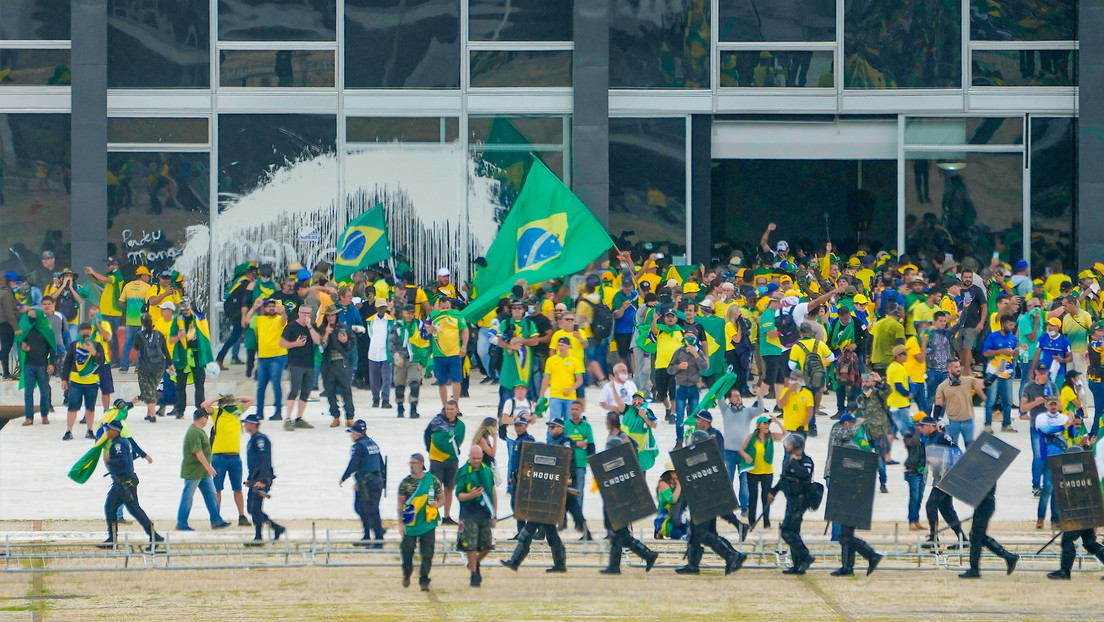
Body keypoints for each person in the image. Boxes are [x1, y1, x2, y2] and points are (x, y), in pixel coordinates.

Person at [675, 429, 749, 576]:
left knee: (702, 534)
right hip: (704, 502)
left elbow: (692, 483)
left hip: (703, 503)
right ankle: (693, 564)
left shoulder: (698, 460)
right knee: (699, 534)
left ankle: (731, 555)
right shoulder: (709, 458)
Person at [826, 413, 885, 576]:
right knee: (845, 533)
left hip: (849, 490)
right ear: (845, 423)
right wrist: (859, 423)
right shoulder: (837, 430)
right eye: (851, 423)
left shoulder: (853, 446)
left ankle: (869, 556)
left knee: (846, 534)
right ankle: (849, 565)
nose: (853, 427)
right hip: (837, 479)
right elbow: (847, 433)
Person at [500, 438, 569, 574]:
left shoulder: (551, 468)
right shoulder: (544, 467)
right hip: (542, 504)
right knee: (549, 535)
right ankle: (559, 564)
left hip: (543, 505)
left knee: (530, 534)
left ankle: (515, 562)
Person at [97, 419, 164, 548]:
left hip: (124, 483)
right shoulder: (124, 442)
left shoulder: (117, 445)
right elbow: (131, 456)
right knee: (110, 508)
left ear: (115, 431)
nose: (106, 431)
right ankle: (112, 539)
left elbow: (122, 461)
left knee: (135, 510)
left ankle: (155, 536)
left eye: (108, 429)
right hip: (121, 483)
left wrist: (109, 460)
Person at [599, 434, 660, 575]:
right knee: (623, 536)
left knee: (616, 535)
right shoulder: (623, 462)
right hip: (619, 504)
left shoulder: (624, 464)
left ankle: (614, 567)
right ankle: (648, 555)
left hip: (621, 505)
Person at [202, 394, 255, 527]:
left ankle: (242, 516)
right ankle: (216, 517)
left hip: (235, 457)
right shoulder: (217, 413)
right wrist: (217, 398)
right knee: (217, 488)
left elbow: (251, 399)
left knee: (237, 488)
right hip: (219, 457)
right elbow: (204, 406)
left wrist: (235, 398)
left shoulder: (237, 412)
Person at [176, 409, 231, 531]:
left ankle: (216, 520)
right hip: (194, 471)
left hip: (202, 472)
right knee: (188, 497)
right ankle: (181, 523)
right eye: (207, 418)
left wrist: (206, 468)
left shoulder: (198, 431)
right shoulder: (194, 432)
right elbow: (197, 451)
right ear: (203, 418)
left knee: (211, 495)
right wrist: (208, 467)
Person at [917, 416, 968, 549]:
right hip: (939, 478)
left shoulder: (942, 437)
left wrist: (948, 467)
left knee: (931, 505)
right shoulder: (928, 440)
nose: (920, 429)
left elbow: (957, 452)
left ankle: (934, 538)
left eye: (922, 426)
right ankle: (963, 539)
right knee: (946, 510)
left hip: (947, 477)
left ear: (930, 425)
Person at [769, 434, 816, 574]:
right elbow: (784, 478)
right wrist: (773, 492)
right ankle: (798, 564)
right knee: (793, 532)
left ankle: (805, 556)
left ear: (796, 446)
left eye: (789, 444)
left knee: (787, 531)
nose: (786, 446)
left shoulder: (806, 461)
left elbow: (805, 475)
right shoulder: (788, 461)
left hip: (800, 500)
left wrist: (794, 463)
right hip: (791, 499)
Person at [398, 453, 444, 591]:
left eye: (415, 463)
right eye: (410, 463)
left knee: (428, 552)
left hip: (427, 522)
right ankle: (407, 573)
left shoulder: (432, 480)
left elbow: (442, 497)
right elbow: (400, 504)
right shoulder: (406, 483)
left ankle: (424, 579)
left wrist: (438, 504)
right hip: (410, 522)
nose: (412, 466)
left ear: (422, 464)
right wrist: (401, 523)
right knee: (407, 551)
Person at [338, 419, 386, 546]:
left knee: (369, 509)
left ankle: (378, 537)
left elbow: (354, 464)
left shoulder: (359, 446)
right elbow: (381, 464)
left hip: (368, 483)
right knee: (366, 509)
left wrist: (344, 477)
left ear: (356, 434)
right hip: (376, 480)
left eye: (352, 433)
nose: (351, 435)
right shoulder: (372, 443)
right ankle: (368, 535)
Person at [719, 384, 766, 511]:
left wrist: (759, 396)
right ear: (729, 399)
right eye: (735, 396)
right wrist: (725, 381)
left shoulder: (747, 411)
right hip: (728, 451)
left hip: (744, 452)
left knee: (744, 480)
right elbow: (719, 397)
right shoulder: (726, 410)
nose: (738, 398)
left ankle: (745, 506)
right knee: (728, 479)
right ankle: (728, 505)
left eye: (739, 395)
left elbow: (760, 410)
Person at [455, 445, 496, 587]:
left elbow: (493, 492)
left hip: (484, 512)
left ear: (482, 457)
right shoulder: (463, 472)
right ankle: (474, 574)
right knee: (470, 546)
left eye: (478, 458)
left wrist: (494, 515)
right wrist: (471, 495)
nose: (476, 461)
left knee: (488, 545)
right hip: (468, 512)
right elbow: (459, 495)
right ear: (469, 457)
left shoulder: (487, 471)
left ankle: (475, 562)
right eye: (473, 458)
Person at [958, 483, 1019, 578]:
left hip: (985, 502)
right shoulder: (986, 471)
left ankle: (975, 570)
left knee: (976, 536)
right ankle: (1008, 556)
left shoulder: (987, 472)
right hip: (983, 502)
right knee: (977, 536)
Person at [242, 413, 285, 546]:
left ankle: (259, 537)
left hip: (262, 478)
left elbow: (264, 461)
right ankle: (276, 528)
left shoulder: (260, 440)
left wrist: (263, 480)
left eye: (247, 423)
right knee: (252, 508)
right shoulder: (253, 440)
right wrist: (250, 479)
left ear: (253, 425)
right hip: (256, 478)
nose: (245, 426)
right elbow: (254, 463)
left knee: (255, 508)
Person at [244, 298, 288, 420]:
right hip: (263, 357)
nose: (271, 308)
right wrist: (254, 307)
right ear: (264, 308)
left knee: (276, 384)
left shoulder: (279, 319)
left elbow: (284, 319)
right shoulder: (260, 320)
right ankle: (259, 412)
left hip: (278, 356)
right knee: (261, 386)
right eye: (268, 306)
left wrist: (283, 312)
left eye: (273, 306)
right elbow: (247, 320)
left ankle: (278, 411)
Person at [62, 322, 105, 440]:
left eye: (88, 330)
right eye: (83, 330)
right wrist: (64, 379)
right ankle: (68, 431)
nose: (85, 332)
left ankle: (90, 430)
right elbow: (67, 362)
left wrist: (93, 351)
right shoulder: (74, 345)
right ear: (79, 332)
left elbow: (102, 361)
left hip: (91, 382)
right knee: (72, 407)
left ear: (91, 331)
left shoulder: (97, 345)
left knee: (90, 408)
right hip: (76, 382)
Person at [167, 299, 209, 419]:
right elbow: (170, 340)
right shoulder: (177, 321)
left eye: (187, 308)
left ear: (191, 307)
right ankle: (180, 411)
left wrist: (207, 357)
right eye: (183, 309)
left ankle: (200, 409)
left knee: (199, 385)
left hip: (196, 356)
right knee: (180, 385)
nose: (185, 311)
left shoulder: (199, 319)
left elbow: (206, 337)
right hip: (182, 356)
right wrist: (178, 337)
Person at [425, 400, 465, 525]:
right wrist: (430, 449)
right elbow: (427, 434)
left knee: (449, 488)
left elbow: (458, 441)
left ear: (457, 410)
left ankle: (446, 516)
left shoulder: (461, 425)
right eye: (447, 409)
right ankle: (431, 515)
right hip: (437, 460)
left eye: (451, 409)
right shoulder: (437, 421)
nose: (449, 411)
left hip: (452, 460)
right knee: (434, 488)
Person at [1035, 396, 1072, 529]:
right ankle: (1040, 518)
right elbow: (1046, 430)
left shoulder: (1063, 418)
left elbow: (1072, 434)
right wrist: (1065, 425)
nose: (1053, 407)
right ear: (1046, 405)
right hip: (1048, 457)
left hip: (1062, 456)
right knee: (1047, 488)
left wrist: (1071, 422)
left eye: (1055, 404)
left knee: (1059, 489)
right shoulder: (1041, 418)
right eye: (1051, 404)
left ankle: (1056, 518)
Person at [933, 358, 988, 447]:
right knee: (951, 448)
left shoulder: (968, 381)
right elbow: (938, 405)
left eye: (959, 366)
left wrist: (996, 374)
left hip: (968, 421)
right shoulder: (942, 386)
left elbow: (985, 383)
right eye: (955, 367)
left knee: (970, 448)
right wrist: (935, 421)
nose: (959, 369)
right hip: (952, 422)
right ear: (949, 369)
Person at [1021, 366, 1057, 499]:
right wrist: (1035, 403)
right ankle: (1036, 485)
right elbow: (1023, 407)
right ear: (1036, 372)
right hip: (1036, 427)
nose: (1043, 376)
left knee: (1051, 455)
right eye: (1041, 373)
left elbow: (1059, 405)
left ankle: (1049, 483)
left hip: (1051, 426)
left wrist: (1051, 403)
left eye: (1045, 373)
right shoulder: (1029, 387)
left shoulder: (1051, 386)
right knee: (1038, 456)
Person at [280, 304, 319, 430]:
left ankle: (299, 418)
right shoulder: (291, 326)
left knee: (306, 391)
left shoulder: (312, 327)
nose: (306, 316)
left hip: (309, 364)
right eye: (304, 314)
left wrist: (309, 326)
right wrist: (295, 344)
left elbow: (317, 341)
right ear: (299, 313)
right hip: (296, 363)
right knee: (294, 390)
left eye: (309, 314)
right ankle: (288, 418)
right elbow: (282, 343)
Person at [982, 313, 1020, 433]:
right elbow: (986, 353)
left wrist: (1016, 353)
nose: (1012, 327)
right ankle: (988, 424)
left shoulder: (1013, 338)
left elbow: (1014, 352)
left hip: (1007, 371)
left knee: (1008, 400)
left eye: (1013, 325)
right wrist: (1001, 351)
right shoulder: (993, 336)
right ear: (1003, 324)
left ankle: (1007, 424)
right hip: (994, 371)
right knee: (991, 400)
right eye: (1009, 324)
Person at [667, 335, 708, 447]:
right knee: (679, 416)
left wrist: (696, 355)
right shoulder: (678, 352)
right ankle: (679, 441)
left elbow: (704, 367)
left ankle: (694, 439)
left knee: (694, 416)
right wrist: (679, 366)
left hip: (694, 387)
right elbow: (669, 369)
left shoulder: (698, 353)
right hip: (681, 387)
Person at [17, 305, 55, 425]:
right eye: (30, 316)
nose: (31, 317)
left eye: (33, 315)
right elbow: (21, 341)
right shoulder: (27, 329)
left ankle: (44, 415)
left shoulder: (47, 330)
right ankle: (29, 417)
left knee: (44, 392)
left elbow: (52, 348)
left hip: (42, 365)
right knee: (28, 392)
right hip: (29, 364)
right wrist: (23, 346)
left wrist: (52, 364)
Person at [391, 304, 430, 419]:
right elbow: (391, 341)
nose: (409, 315)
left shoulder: (419, 324)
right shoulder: (397, 326)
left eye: (412, 313)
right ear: (403, 313)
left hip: (414, 359)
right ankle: (400, 407)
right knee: (399, 385)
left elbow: (425, 340)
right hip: (401, 359)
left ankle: (413, 408)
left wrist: (424, 359)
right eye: (407, 313)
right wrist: (395, 354)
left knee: (415, 384)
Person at [427, 297, 467, 407]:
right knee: (441, 382)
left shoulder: (457, 315)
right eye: (443, 308)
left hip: (454, 353)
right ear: (439, 307)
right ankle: (445, 407)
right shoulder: (433, 315)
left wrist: (463, 346)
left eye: (447, 308)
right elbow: (425, 328)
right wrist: (431, 329)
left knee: (456, 380)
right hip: (439, 353)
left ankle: (455, 405)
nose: (445, 310)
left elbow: (465, 329)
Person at [84, 257, 125, 362]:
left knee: (112, 337)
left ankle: (115, 360)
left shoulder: (118, 276)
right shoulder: (111, 276)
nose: (107, 267)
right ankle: (110, 358)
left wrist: (93, 271)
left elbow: (105, 279)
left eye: (109, 265)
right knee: (104, 335)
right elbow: (98, 280)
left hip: (113, 312)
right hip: (106, 312)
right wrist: (89, 274)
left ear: (116, 266)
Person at [320, 304, 355, 426]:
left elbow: (352, 343)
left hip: (341, 362)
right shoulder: (322, 329)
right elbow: (320, 347)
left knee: (346, 390)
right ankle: (335, 416)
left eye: (332, 315)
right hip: (328, 364)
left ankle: (349, 417)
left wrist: (345, 342)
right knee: (330, 391)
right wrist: (326, 335)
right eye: (328, 316)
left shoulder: (343, 328)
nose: (330, 318)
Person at [133, 313, 170, 422]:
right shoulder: (159, 334)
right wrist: (170, 363)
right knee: (152, 389)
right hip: (159, 367)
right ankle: (149, 413)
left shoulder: (139, 335)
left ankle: (152, 415)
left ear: (142, 323)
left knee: (147, 391)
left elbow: (135, 347)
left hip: (144, 367)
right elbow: (165, 350)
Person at [117, 266, 152, 373]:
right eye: (148, 276)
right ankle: (138, 366)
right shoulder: (147, 287)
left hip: (129, 321)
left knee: (127, 344)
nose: (149, 278)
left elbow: (120, 302)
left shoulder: (128, 286)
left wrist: (129, 308)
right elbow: (148, 304)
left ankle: (124, 367)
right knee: (142, 344)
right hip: (142, 321)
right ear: (142, 276)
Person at [506, 418, 536, 538]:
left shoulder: (528, 440)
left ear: (526, 426)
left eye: (520, 425)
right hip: (516, 478)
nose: (517, 428)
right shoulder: (517, 440)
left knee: (522, 505)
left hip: (524, 478)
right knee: (516, 505)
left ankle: (527, 531)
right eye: (516, 425)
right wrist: (511, 476)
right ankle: (521, 530)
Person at [541, 337, 583, 421]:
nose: (560, 348)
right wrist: (541, 395)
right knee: (554, 421)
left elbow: (579, 380)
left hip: (570, 396)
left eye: (563, 345)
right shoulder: (551, 360)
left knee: (569, 422)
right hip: (555, 395)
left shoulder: (575, 361)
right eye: (559, 345)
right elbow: (546, 378)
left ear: (569, 347)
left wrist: (571, 389)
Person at [366, 299, 395, 409]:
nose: (382, 309)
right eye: (380, 307)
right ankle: (375, 399)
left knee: (387, 378)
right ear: (376, 308)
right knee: (374, 379)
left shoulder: (391, 321)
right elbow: (370, 335)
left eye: (383, 307)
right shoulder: (371, 321)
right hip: (374, 352)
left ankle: (385, 400)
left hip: (386, 353)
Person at [779, 370, 814, 435]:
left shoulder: (807, 393)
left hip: (801, 429)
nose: (793, 381)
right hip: (788, 428)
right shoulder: (785, 391)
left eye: (795, 379)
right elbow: (780, 405)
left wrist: (803, 426)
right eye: (792, 379)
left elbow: (810, 412)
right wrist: (788, 392)